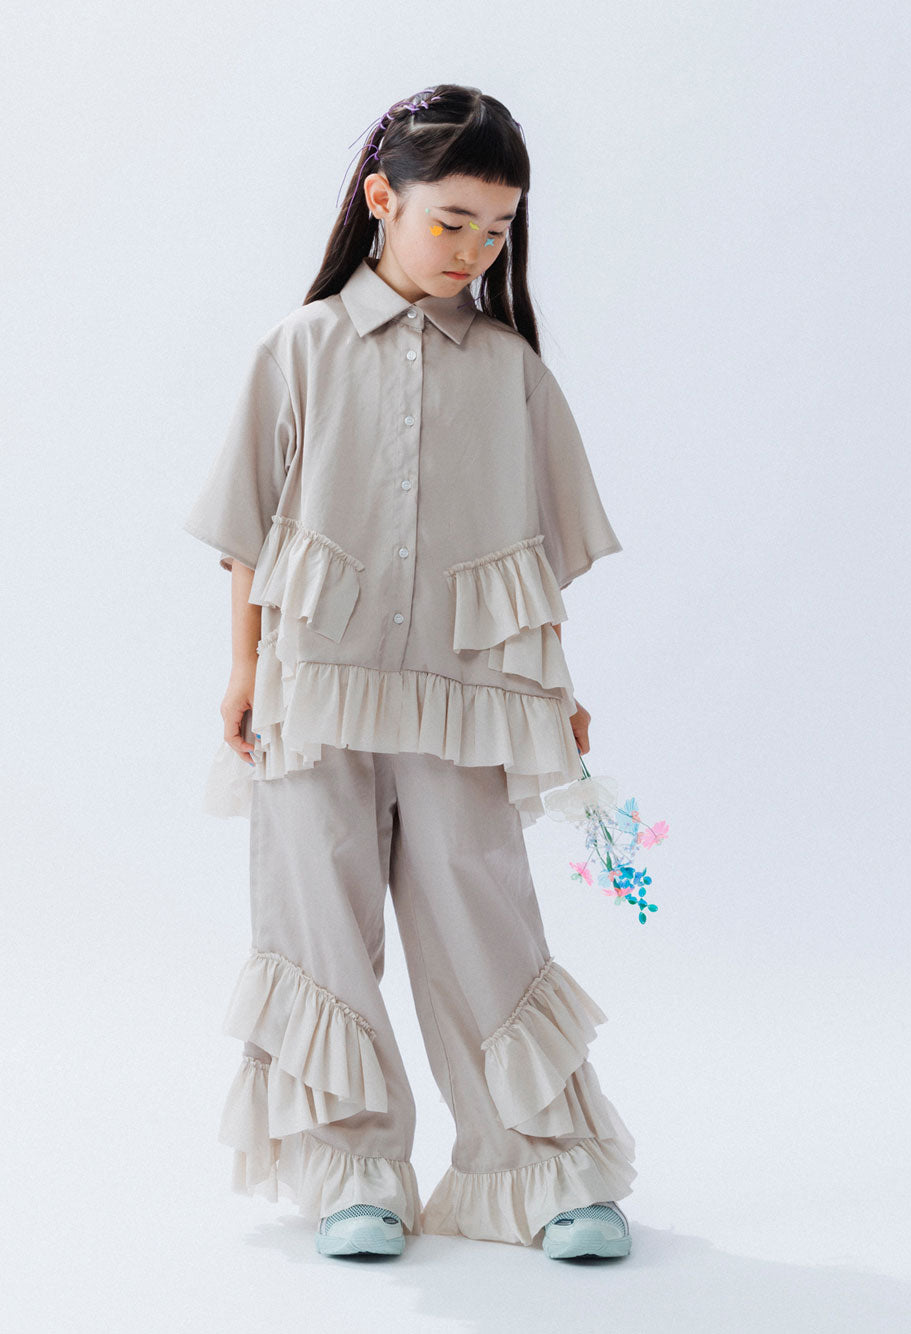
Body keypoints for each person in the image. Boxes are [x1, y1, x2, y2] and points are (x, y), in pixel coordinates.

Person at [181, 83, 635, 1262]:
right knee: (316, 921)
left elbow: (536, 551)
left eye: (498, 228)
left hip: (466, 690)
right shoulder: (298, 349)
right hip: (312, 682)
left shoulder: (511, 371)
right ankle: (354, 1172)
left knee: (483, 915)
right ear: (383, 198)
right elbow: (246, 527)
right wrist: (242, 665)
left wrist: (557, 692)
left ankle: (539, 1170)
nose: (474, 249)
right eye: (452, 220)